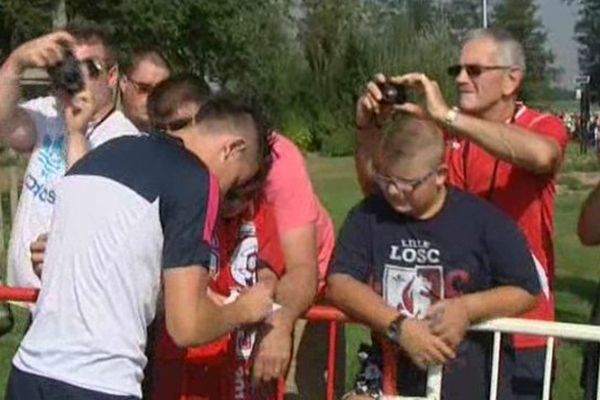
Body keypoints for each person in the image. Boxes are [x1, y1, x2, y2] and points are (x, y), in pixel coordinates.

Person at [6, 94, 275, 400]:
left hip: (29, 371)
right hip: (99, 382)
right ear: (232, 148)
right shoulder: (197, 179)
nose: (229, 198)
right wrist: (244, 309)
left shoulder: (104, 153)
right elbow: (186, 328)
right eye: (237, 183)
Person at [354, 28, 567, 399]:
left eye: (474, 70)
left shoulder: (539, 125)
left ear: (511, 80)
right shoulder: (443, 134)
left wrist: (446, 116)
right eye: (457, 69)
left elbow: (543, 156)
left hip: (522, 327)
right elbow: (381, 189)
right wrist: (369, 128)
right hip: (452, 326)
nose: (460, 79)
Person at [328, 117, 540, 399]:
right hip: (392, 381)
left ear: (440, 175)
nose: (392, 191)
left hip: (468, 385)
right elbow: (340, 282)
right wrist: (399, 327)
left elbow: (527, 290)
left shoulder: (484, 221)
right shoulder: (368, 216)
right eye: (385, 179)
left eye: (407, 184)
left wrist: (467, 309)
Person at [0, 24, 139, 294]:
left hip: (77, 300)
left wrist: (77, 131)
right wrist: (17, 62)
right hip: (30, 297)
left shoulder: (126, 141)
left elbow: (94, 215)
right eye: (70, 66)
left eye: (91, 67)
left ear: (112, 76)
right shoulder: (50, 113)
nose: (79, 76)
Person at [120, 49, 171, 132]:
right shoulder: (104, 136)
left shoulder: (174, 140)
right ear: (124, 83)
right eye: (144, 88)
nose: (152, 97)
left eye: (161, 90)